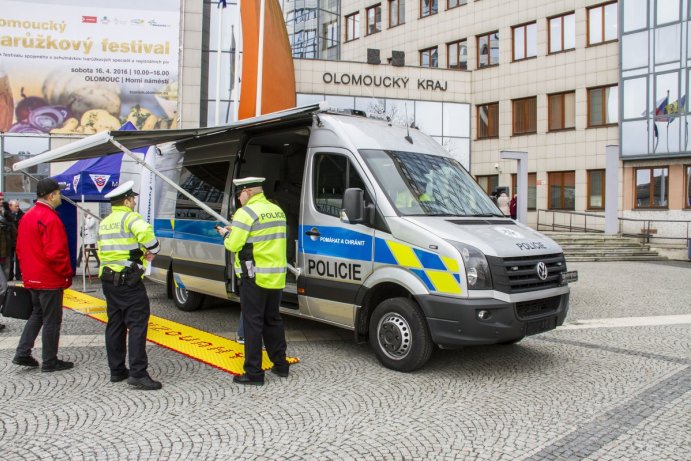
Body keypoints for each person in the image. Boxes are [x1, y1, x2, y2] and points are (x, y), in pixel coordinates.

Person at [216, 176, 290, 386]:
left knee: (252, 324)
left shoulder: (246, 212)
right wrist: (236, 231)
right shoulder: (277, 210)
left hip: (254, 276)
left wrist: (225, 235)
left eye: (239, 194)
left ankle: (254, 373)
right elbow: (262, 238)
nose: (239, 199)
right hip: (275, 276)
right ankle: (281, 365)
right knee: (273, 320)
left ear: (247, 192)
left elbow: (233, 245)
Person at [97, 181, 162, 390]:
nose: (134, 202)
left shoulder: (105, 222)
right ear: (126, 200)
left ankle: (116, 370)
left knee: (115, 324)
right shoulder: (130, 217)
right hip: (128, 281)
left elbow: (109, 250)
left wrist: (135, 253)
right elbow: (148, 237)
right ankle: (138, 373)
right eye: (132, 199)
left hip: (108, 279)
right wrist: (153, 250)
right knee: (137, 325)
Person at [13, 178, 73, 372]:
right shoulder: (50, 218)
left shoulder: (27, 217)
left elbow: (20, 249)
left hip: (32, 277)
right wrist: (66, 274)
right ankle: (50, 360)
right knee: (52, 320)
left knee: (37, 314)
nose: (60, 196)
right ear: (51, 195)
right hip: (49, 279)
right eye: (58, 193)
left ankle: (23, 352)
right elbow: (56, 253)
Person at [5, 199, 23, 280]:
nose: (18, 208)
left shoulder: (22, 215)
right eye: (16, 206)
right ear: (10, 206)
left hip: (19, 240)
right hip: (10, 240)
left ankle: (19, 275)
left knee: (19, 259)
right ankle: (10, 275)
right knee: (10, 258)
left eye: (18, 206)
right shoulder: (6, 216)